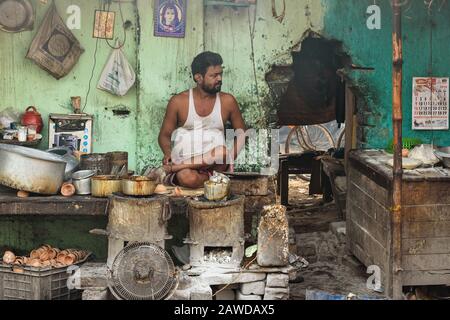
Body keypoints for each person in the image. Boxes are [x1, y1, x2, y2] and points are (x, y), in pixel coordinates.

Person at [150, 51, 246, 189]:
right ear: (198, 78)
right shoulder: (178, 101)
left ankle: (172, 169)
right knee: (186, 177)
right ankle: (214, 181)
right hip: (185, 166)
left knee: (223, 152)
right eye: (213, 75)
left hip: (214, 164)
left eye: (220, 74)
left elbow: (241, 134)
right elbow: (164, 135)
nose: (219, 78)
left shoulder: (228, 101)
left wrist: (230, 159)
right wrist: (167, 153)